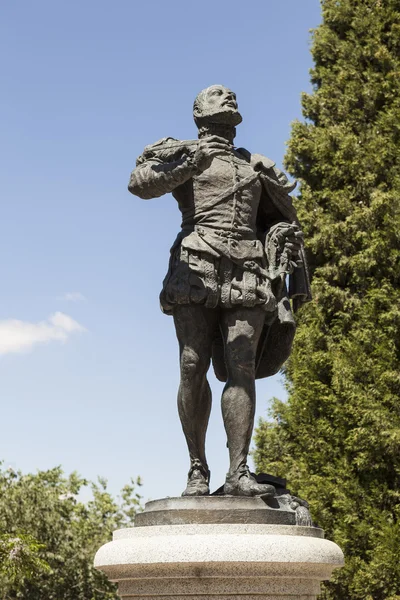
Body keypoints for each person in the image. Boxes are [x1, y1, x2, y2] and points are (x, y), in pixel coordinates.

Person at [128, 85, 311, 497]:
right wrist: (186, 164)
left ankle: (238, 471)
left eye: (232, 95)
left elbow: (285, 218)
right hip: (196, 262)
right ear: (198, 110)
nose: (228, 97)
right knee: (193, 363)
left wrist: (283, 237)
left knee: (241, 360)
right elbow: (139, 185)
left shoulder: (256, 164)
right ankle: (197, 468)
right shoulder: (180, 152)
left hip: (247, 265)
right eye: (216, 95)